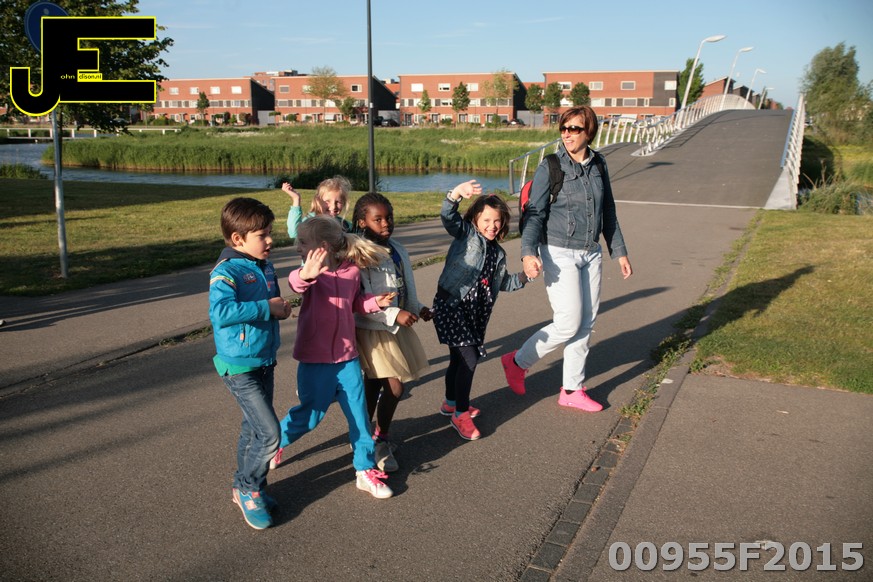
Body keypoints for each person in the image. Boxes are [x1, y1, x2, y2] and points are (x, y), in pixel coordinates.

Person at [501, 105, 633, 412]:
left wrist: (620, 251)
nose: (567, 134)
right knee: (568, 321)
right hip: (558, 250)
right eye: (563, 128)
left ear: (589, 132)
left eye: (574, 129)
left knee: (585, 323)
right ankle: (518, 361)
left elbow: (608, 209)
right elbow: (534, 213)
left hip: (591, 252)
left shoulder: (599, 163)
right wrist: (528, 253)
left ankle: (572, 389)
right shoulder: (551, 166)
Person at [271, 215, 397, 499]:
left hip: (347, 358)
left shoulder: (351, 271)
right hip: (315, 361)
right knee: (310, 417)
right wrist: (306, 274)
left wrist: (375, 302)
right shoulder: (310, 274)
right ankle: (273, 442)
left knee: (360, 417)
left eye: (303, 242)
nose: (298, 247)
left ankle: (364, 470)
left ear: (323, 246)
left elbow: (354, 303)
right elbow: (296, 283)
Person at [209, 197, 293, 530]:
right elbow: (220, 313)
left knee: (253, 428)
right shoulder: (226, 272)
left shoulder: (264, 266)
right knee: (270, 434)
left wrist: (279, 310)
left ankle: (243, 485)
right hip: (238, 366)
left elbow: (269, 304)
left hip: (263, 360)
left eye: (270, 232)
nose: (270, 240)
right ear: (237, 239)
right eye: (262, 235)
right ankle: (249, 488)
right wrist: (265, 308)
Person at [433, 181, 529, 441]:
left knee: (458, 360)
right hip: (452, 306)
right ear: (475, 219)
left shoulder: (498, 253)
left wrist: (525, 276)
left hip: (474, 317)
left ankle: (451, 403)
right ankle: (460, 414)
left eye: (497, 221)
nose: (492, 225)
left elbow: (504, 283)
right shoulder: (466, 235)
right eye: (486, 220)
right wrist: (455, 194)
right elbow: (448, 217)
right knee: (469, 358)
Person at [352, 193, 431, 472]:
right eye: (378, 219)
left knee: (373, 385)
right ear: (362, 222)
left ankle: (366, 437)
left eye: (389, 217)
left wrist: (417, 307)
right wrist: (394, 314)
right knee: (395, 387)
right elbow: (359, 301)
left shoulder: (398, 248)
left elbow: (405, 285)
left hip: (395, 326)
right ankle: (377, 439)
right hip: (373, 329)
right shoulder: (359, 254)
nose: (386, 224)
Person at [283, 175, 353, 242]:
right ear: (318, 201)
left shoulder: (345, 225)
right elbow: (294, 233)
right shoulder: (312, 221)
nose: (333, 206)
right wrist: (296, 199)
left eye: (338, 202)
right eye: (327, 201)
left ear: (344, 203)